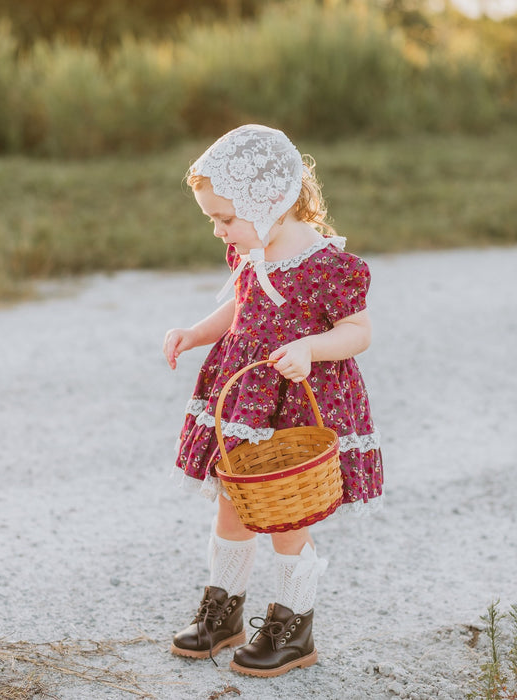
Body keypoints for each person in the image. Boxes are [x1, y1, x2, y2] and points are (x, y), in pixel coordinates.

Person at [163, 124, 383, 678]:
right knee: (232, 503)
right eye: (213, 218)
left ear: (273, 204)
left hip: (297, 407)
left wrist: (310, 347)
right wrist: (195, 333)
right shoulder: (250, 250)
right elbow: (240, 311)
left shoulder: (324, 264)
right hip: (245, 406)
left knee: (287, 513)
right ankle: (224, 610)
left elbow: (357, 331)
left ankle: (293, 625)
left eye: (225, 218)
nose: (218, 231)